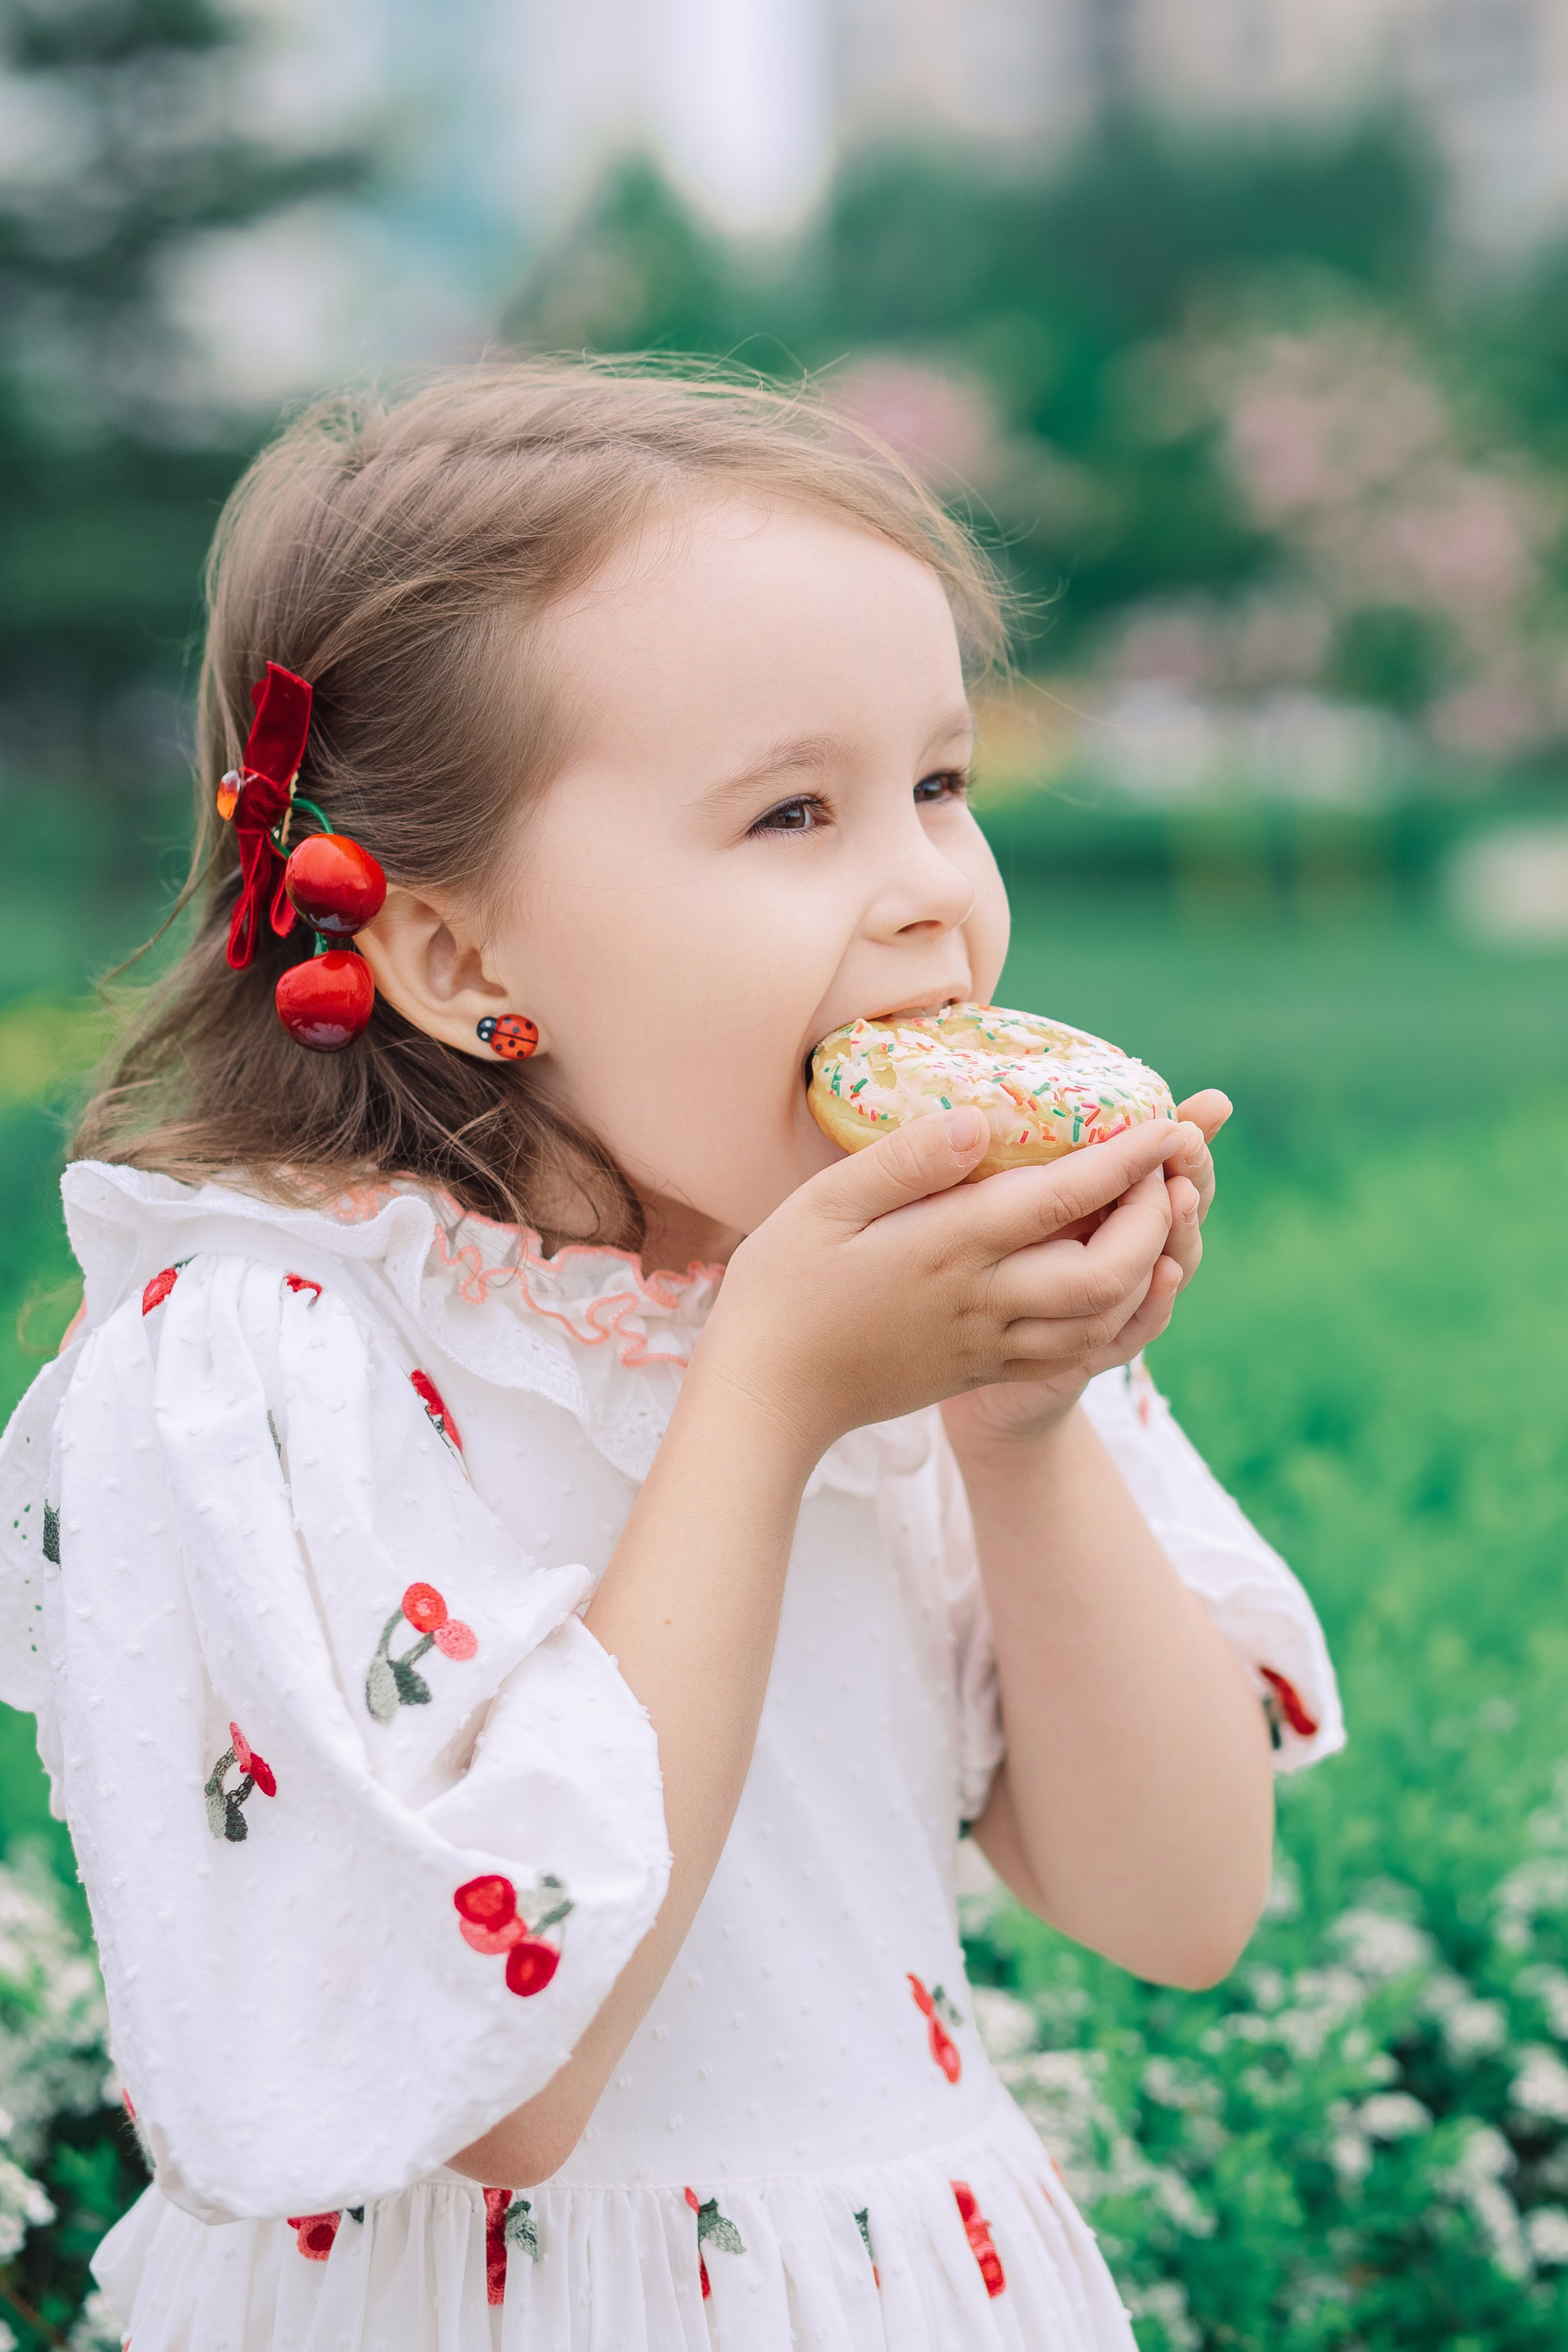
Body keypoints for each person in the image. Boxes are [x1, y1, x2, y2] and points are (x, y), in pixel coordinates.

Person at [0, 363, 1341, 2351]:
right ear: (461, 960)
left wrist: (1025, 1422)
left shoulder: (885, 1306)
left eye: (943, 785)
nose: (925, 896)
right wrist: (775, 1399)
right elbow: (512, 2094)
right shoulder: (267, 1370)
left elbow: (1180, 1901)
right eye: (794, 810)